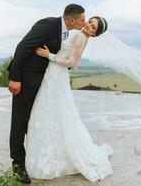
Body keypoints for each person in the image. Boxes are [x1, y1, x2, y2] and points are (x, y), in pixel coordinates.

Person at [25, 16, 112, 183]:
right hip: (55, 75)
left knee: (47, 112)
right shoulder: (80, 36)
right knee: (53, 113)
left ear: (94, 34)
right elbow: (74, 65)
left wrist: (49, 55)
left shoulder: (80, 37)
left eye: (92, 27)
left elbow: (72, 61)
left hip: (56, 75)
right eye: (90, 22)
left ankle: (46, 158)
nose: (88, 25)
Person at [7, 4, 86, 184]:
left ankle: (31, 158)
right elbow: (23, 47)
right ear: (71, 20)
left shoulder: (67, 32)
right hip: (26, 80)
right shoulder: (48, 24)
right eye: (82, 19)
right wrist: (15, 77)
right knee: (20, 120)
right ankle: (18, 165)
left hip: (44, 82)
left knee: (35, 121)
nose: (84, 22)